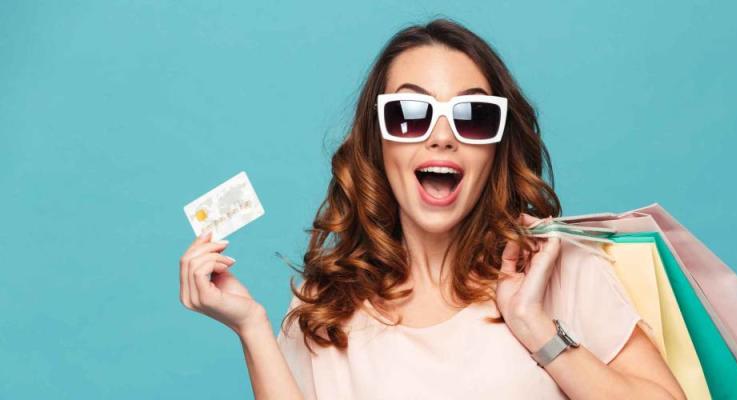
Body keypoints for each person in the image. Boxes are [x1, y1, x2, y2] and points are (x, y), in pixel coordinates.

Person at [178, 18, 685, 400]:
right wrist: (250, 326)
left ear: (496, 148)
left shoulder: (557, 273)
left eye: (474, 116)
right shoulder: (325, 306)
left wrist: (535, 327)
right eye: (408, 114)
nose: (442, 136)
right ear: (378, 142)